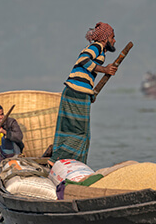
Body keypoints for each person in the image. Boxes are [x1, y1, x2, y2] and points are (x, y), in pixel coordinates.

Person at [49, 22, 118, 166]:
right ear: (105, 38)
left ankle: (66, 162)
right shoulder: (97, 46)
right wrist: (104, 70)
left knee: (70, 129)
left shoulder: (100, 50)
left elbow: (86, 73)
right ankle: (57, 160)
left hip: (76, 91)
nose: (114, 41)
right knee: (81, 133)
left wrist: (90, 93)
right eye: (113, 37)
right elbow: (83, 60)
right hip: (76, 92)